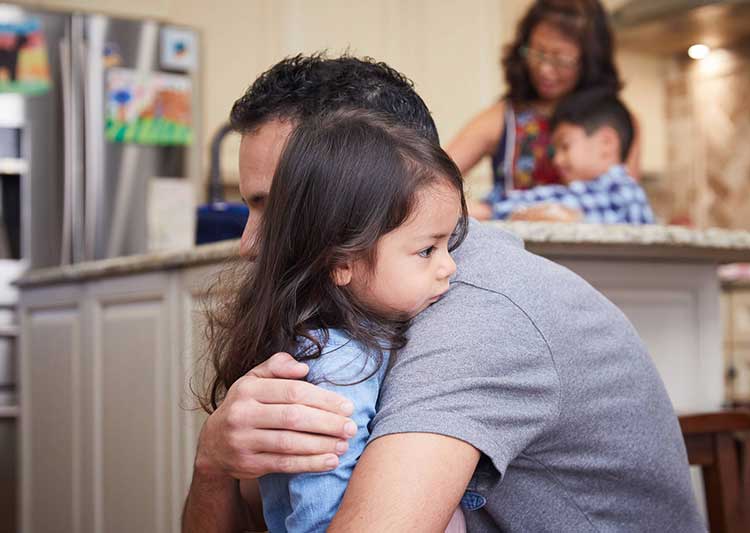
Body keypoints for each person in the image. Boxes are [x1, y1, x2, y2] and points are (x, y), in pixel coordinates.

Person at [183, 54, 705, 533]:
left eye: (279, 208)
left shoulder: (472, 311)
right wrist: (212, 464)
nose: (248, 244)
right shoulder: (347, 315)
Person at [203, 107, 469, 532]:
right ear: (341, 262)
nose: (450, 267)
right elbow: (320, 508)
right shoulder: (341, 365)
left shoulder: (343, 337)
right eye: (427, 251)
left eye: (449, 244)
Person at [446, 0, 641, 221]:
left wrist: (493, 210)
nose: (545, 70)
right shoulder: (503, 117)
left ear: (589, 61)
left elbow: (620, 203)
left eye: (561, 59)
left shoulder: (618, 123)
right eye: (537, 54)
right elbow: (433, 176)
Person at [493, 89, 655, 223]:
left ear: (606, 143)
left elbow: (565, 202)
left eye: (565, 146)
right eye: (555, 152)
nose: (557, 160)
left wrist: (496, 208)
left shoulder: (621, 191)